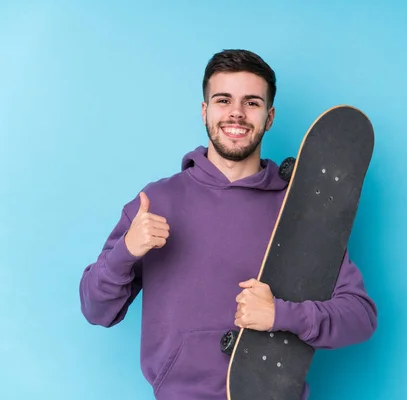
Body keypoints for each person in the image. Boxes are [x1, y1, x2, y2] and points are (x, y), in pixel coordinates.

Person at [79, 49, 377, 400]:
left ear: (269, 117)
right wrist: (125, 253)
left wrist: (281, 315)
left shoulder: (296, 209)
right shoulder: (157, 202)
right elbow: (97, 310)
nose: (236, 112)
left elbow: (360, 317)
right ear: (205, 111)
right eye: (223, 100)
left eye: (252, 103)